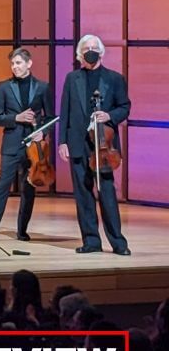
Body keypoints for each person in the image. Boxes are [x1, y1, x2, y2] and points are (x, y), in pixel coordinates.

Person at [58, 35, 131, 256]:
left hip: (103, 145)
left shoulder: (115, 78)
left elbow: (125, 107)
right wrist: (63, 141)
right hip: (78, 143)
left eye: (94, 48)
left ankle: (118, 243)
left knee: (107, 193)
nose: (90, 51)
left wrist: (108, 114)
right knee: (83, 195)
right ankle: (91, 241)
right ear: (80, 54)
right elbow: (65, 112)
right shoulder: (72, 79)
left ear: (100, 51)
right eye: (86, 48)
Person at [0, 47, 53, 242]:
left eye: (18, 63)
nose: (15, 67)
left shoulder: (42, 87)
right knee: (2, 187)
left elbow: (49, 117)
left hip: (33, 148)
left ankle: (22, 231)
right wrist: (17, 117)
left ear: (29, 63)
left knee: (28, 188)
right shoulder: (4, 87)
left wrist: (43, 131)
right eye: (13, 64)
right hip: (11, 145)